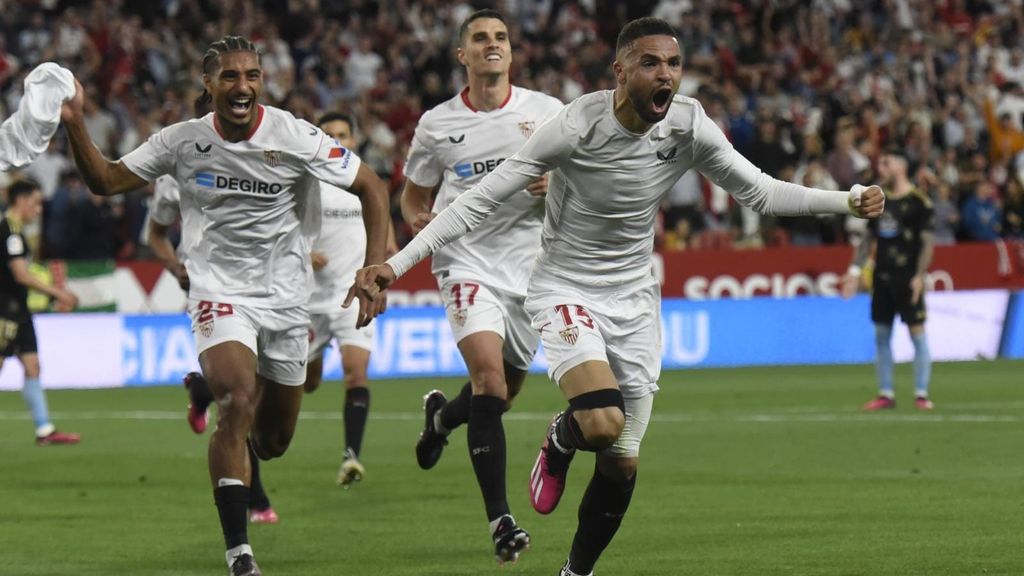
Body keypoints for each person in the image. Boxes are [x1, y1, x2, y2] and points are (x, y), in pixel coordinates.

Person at [354, 17, 884, 576]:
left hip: (634, 301)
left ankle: (576, 570)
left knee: (622, 462)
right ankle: (562, 434)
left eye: (674, 65)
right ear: (621, 69)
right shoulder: (574, 125)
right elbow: (475, 201)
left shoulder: (687, 124)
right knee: (600, 422)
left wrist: (845, 201)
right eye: (652, 63)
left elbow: (762, 192)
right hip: (563, 288)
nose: (666, 75)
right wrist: (394, 264)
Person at [61, 36, 390, 576]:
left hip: (288, 302)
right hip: (219, 292)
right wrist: (74, 121)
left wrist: (373, 268)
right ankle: (240, 551)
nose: (243, 86)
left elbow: (372, 186)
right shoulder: (181, 141)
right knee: (237, 399)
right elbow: (105, 179)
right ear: (207, 85)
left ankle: (215, 409)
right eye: (230, 77)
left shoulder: (295, 135)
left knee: (275, 440)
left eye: (252, 75)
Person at [399, 8, 563, 564]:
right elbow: (414, 196)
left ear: (512, 53)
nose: (491, 45)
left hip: (530, 270)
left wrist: (558, 183)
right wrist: (421, 226)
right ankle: (501, 521)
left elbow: (587, 175)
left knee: (502, 395)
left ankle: (442, 418)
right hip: (465, 262)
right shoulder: (437, 124)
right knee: (490, 383)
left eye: (500, 37)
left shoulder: (547, 112)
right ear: (462, 56)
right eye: (479, 38)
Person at [145, 94, 279, 525]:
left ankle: (202, 390)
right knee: (243, 397)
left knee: (253, 397)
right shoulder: (179, 167)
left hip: (268, 290)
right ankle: (253, 498)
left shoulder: (267, 153)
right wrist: (174, 266)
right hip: (211, 288)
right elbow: (156, 233)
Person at [304, 111, 398, 487]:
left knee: (355, 372)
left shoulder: (366, 186)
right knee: (305, 384)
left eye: (343, 133)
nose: (338, 139)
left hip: (351, 296)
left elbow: (387, 242)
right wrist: (303, 252)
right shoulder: (307, 183)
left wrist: (384, 275)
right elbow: (283, 229)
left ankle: (351, 457)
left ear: (355, 140)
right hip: (308, 301)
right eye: (330, 134)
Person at [842, 151, 935, 411]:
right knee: (882, 334)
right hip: (882, 277)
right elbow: (867, 242)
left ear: (901, 165)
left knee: (917, 332)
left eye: (887, 161)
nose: (881, 166)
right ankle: (886, 393)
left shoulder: (919, 203)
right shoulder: (877, 200)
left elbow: (927, 245)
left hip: (907, 277)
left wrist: (919, 275)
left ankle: (921, 393)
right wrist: (854, 273)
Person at [0, 179, 80, 445]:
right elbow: (20, 275)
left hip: (19, 310)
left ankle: (44, 430)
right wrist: (58, 293)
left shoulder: (18, 231)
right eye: (34, 203)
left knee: (33, 366)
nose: (37, 210)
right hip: (4, 309)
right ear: (20, 201)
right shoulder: (9, 232)